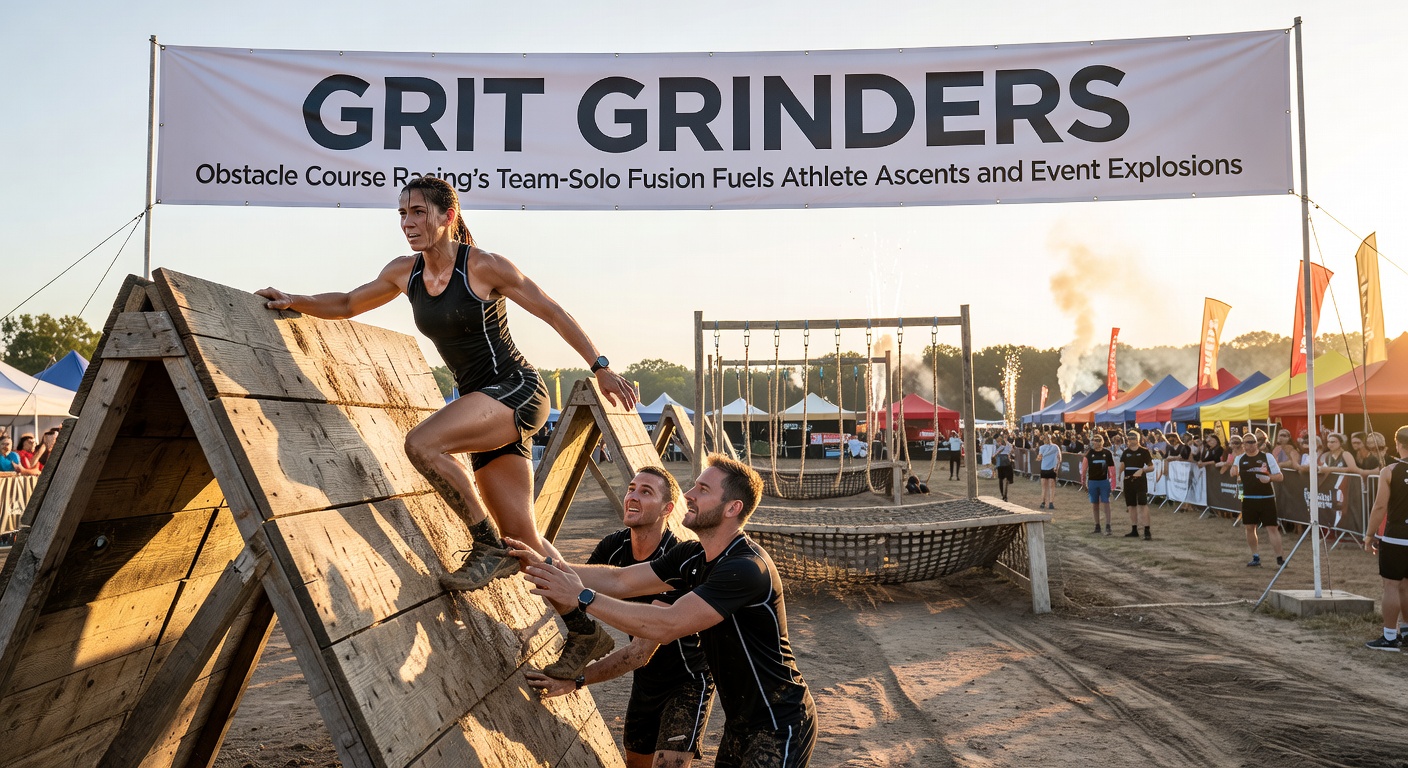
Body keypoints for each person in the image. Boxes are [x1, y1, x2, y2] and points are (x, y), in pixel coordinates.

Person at [256, 176, 637, 672]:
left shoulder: (484, 267)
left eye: (418, 212)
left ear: (447, 216)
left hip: (517, 391)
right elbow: (349, 303)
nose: (408, 223)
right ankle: (584, 631)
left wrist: (599, 364)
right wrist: (296, 300)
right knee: (524, 539)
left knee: (423, 444)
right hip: (484, 408)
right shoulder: (404, 272)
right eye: (402, 214)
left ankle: (484, 543)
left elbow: (551, 311)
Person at [513, 455, 816, 768]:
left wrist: (582, 596)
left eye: (702, 489)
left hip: (781, 722)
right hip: (740, 723)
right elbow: (621, 579)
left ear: (731, 508)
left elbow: (666, 625)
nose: (688, 495)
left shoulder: (745, 568)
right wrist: (538, 563)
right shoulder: (691, 555)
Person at [526, 467, 715, 766]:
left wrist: (576, 680)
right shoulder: (614, 547)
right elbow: (569, 582)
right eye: (631, 488)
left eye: (645, 492)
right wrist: (528, 546)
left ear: (667, 509)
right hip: (646, 682)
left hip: (686, 681)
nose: (632, 497)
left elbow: (639, 653)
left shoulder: (677, 560)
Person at [1364, 426, 1408, 651]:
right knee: (1406, 586)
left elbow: (1380, 506)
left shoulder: (1389, 470)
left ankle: (1390, 637)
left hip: (1397, 536)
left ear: (1398, 444)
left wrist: (1370, 535)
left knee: (1391, 585)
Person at [1230, 433, 1285, 567]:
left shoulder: (1267, 457)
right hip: (1248, 498)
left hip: (1266, 497)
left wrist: (1269, 478)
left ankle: (1280, 558)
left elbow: (1280, 476)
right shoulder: (1240, 458)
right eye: (1248, 442)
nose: (1251, 444)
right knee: (1250, 527)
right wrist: (1235, 467)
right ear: (1243, 445)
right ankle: (1255, 556)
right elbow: (1232, 472)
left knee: (1272, 527)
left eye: (1253, 442)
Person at [1117, 430, 1154, 540]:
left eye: (1133, 438)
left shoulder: (1144, 451)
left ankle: (1147, 530)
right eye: (1129, 438)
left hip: (1140, 481)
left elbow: (1151, 467)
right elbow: (1122, 464)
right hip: (1128, 481)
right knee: (1131, 505)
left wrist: (1142, 470)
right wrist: (1119, 475)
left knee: (1142, 504)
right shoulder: (1125, 452)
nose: (1130, 440)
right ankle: (1134, 529)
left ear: (1138, 439)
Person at [1081, 433, 1116, 535]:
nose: (1097, 442)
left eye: (1099, 440)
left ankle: (1108, 525)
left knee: (1106, 503)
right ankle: (1097, 525)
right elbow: (1083, 469)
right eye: (1095, 440)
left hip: (1103, 481)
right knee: (1095, 504)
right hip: (1092, 481)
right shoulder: (1089, 453)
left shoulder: (1107, 453)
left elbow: (1112, 470)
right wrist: (1083, 482)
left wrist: (1113, 484)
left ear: (1103, 441)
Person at [993, 434, 1014, 501]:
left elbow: (995, 453)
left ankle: (1003, 494)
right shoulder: (1009, 445)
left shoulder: (998, 445)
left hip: (1000, 461)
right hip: (1005, 461)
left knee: (1001, 479)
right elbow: (1011, 453)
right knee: (1004, 479)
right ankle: (1004, 494)